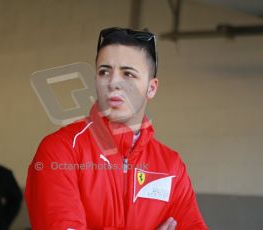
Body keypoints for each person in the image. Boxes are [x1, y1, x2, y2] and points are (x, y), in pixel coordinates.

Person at [25, 27, 208, 229]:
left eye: (128, 74)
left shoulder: (171, 167)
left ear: (151, 88)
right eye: (104, 72)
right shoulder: (61, 150)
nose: (113, 83)